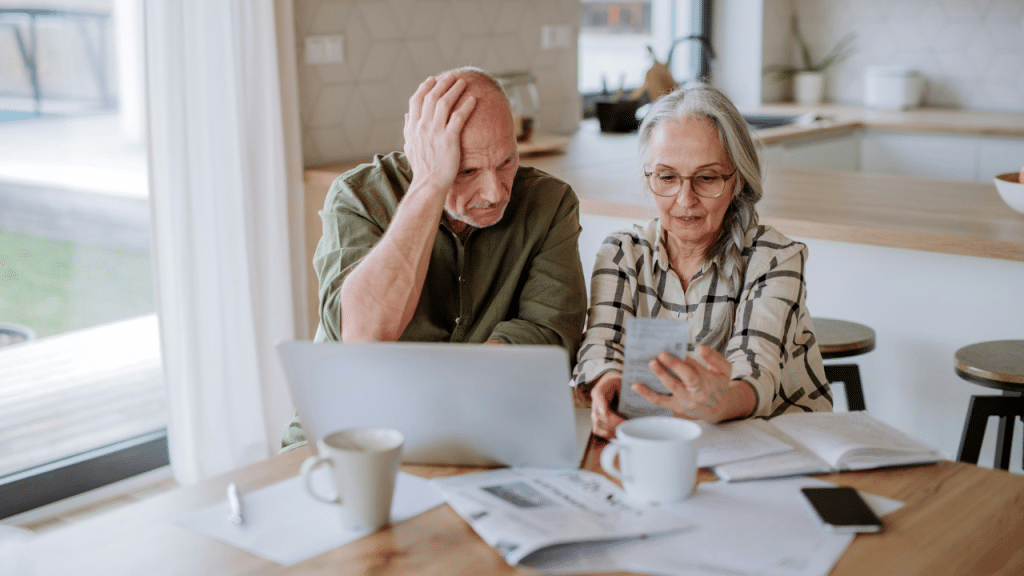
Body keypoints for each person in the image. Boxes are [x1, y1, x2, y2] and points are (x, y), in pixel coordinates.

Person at [282, 67, 588, 450]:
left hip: (482, 428)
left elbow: (550, 337)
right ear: (422, 156)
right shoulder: (357, 197)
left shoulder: (551, 203)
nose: (494, 192)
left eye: (507, 161)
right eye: (468, 171)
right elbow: (365, 337)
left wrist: (442, 398)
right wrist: (430, 185)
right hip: (349, 432)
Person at [572, 83, 832, 439]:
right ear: (649, 178)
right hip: (668, 442)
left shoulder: (775, 258)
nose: (684, 199)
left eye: (707, 178)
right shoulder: (622, 252)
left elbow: (758, 369)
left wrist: (719, 401)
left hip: (779, 442)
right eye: (667, 177)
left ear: (736, 180)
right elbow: (603, 344)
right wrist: (608, 383)